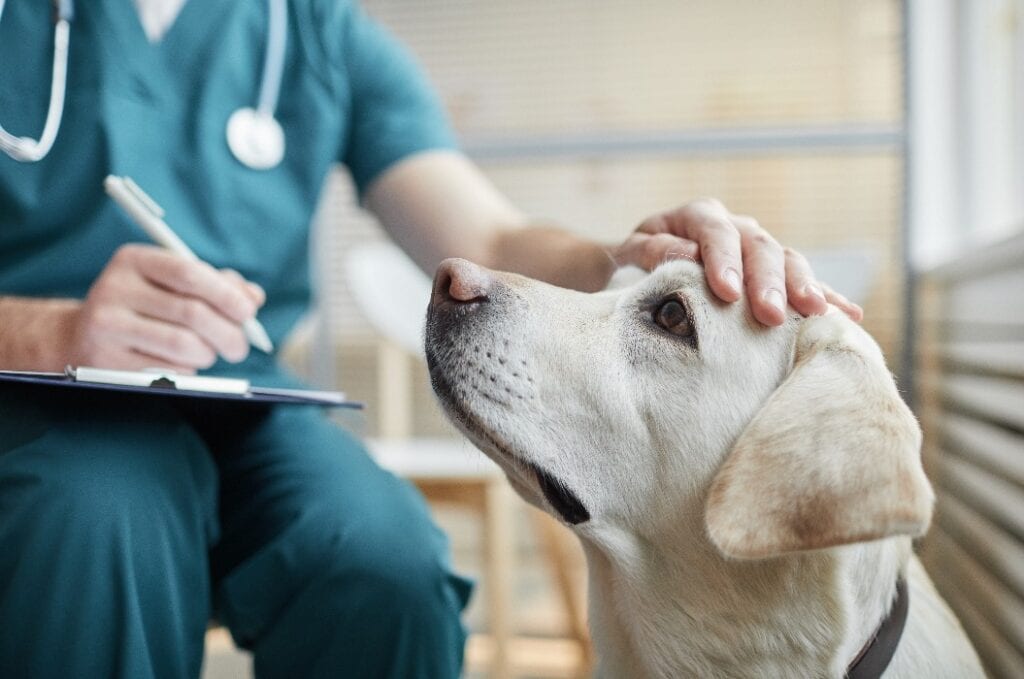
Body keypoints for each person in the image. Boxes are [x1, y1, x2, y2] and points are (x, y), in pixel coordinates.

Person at [0, 1, 862, 678]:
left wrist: (621, 253)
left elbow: (487, 240)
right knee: (94, 518)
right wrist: (50, 329)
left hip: (244, 396)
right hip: (32, 399)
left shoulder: (315, 31)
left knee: (389, 561)